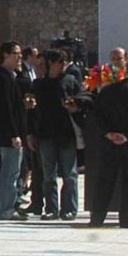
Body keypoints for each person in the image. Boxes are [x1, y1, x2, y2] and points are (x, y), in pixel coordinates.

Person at [86, 58, 128, 228]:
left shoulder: (107, 91)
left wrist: (109, 133)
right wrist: (127, 135)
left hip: (109, 144)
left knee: (105, 182)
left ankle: (97, 218)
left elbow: (96, 115)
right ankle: (127, 220)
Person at [30, 48, 82, 222]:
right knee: (48, 175)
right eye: (59, 62)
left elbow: (82, 99)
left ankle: (69, 209)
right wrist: (30, 133)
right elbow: (33, 111)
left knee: (70, 174)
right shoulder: (38, 84)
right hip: (46, 133)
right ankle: (51, 208)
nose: (62, 66)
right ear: (51, 64)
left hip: (66, 132)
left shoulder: (70, 80)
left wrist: (75, 107)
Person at [0, 42, 31, 221]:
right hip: (9, 135)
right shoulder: (3, 78)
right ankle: (6, 209)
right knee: (10, 174)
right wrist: (14, 134)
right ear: (5, 55)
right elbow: (5, 109)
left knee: (8, 172)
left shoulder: (11, 77)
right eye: (15, 53)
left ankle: (0, 208)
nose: (19, 57)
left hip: (10, 133)